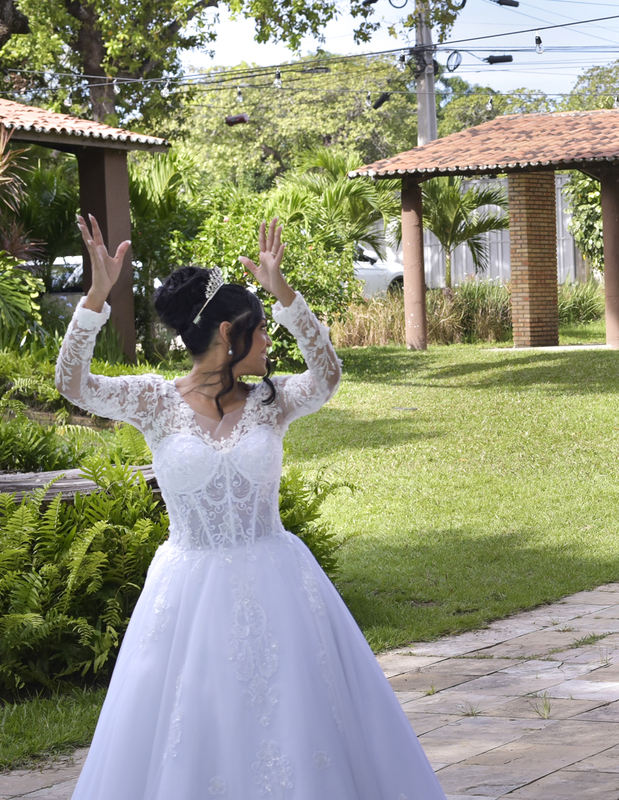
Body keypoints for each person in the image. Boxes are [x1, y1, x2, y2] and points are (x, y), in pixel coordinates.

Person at [57, 216, 446, 800]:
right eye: (261, 329)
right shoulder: (154, 401)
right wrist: (95, 298)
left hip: (278, 585)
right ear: (227, 332)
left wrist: (283, 294)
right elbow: (73, 384)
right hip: (187, 595)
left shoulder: (272, 400)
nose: (268, 341)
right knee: (196, 728)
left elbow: (328, 375)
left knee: (293, 722)